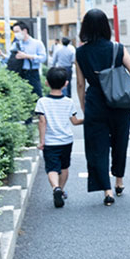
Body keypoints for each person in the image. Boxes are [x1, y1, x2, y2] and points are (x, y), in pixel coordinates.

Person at [75, 9, 130, 205]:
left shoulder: (80, 52)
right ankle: (119, 181)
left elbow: (80, 84)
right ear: (106, 26)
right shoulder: (117, 48)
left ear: (85, 28)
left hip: (95, 102)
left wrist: (84, 106)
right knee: (120, 142)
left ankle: (107, 191)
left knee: (98, 147)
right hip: (119, 102)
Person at [35, 67, 84, 208]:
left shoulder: (42, 102)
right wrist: (87, 120)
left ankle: (55, 187)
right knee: (64, 167)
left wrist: (42, 141)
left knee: (51, 168)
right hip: (66, 140)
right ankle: (61, 190)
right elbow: (74, 121)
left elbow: (42, 122)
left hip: (50, 142)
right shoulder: (69, 102)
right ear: (66, 84)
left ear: (46, 83)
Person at [10, 21, 46, 96]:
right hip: (20, 73)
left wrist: (27, 56)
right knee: (21, 96)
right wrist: (2, 55)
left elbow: (43, 58)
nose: (16, 34)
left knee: (36, 96)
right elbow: (10, 59)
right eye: (14, 32)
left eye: (17, 31)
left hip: (32, 73)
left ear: (25, 31)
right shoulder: (16, 44)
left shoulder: (37, 43)